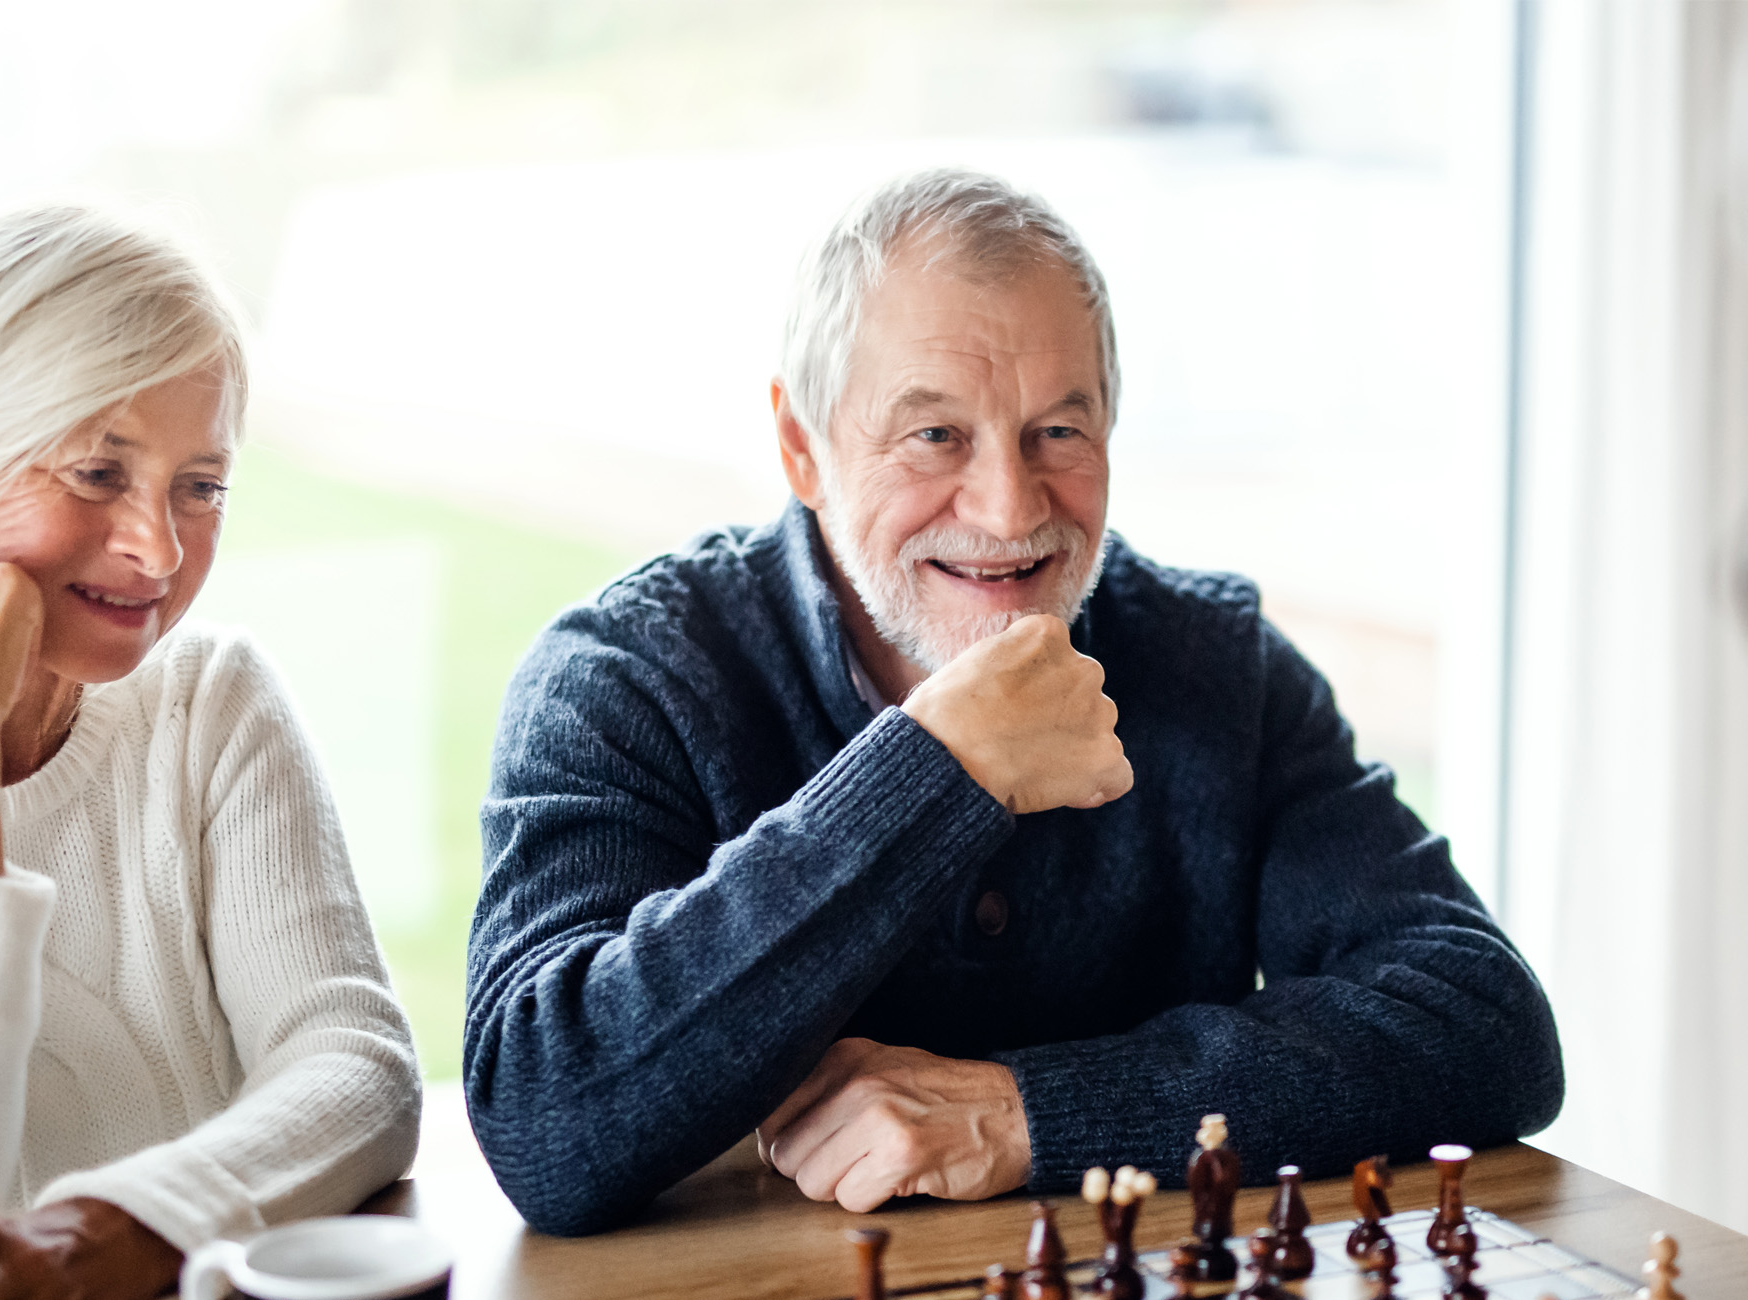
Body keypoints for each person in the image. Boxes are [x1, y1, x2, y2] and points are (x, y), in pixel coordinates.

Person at [463, 169, 1563, 1237]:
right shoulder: (625, 677)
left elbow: (1485, 1023)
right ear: (803, 445)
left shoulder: (1219, 670)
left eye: (1059, 433)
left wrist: (1024, 1113)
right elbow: (542, 1121)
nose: (1007, 508)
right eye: (935, 435)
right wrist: (938, 767)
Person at [0, 206, 422, 1300]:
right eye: (97, 472)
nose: (156, 547)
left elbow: (355, 1069)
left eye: (200, 485)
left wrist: (117, 1233)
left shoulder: (208, 705)